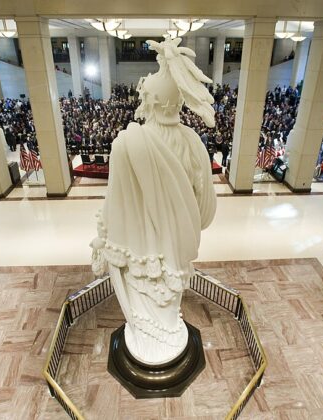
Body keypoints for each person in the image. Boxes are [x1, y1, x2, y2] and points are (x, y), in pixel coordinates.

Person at [90, 37, 216, 365]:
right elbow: (204, 207)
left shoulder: (127, 143)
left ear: (147, 100)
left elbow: (115, 201)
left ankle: (153, 337)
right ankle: (162, 335)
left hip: (140, 246)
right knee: (168, 297)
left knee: (148, 294)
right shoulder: (193, 142)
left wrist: (104, 235)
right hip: (177, 245)